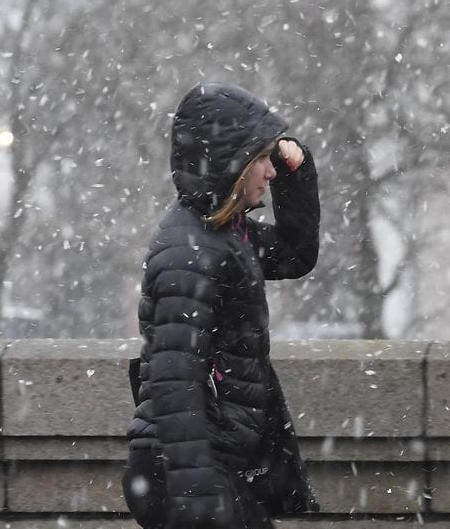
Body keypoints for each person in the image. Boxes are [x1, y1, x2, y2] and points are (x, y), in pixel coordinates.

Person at [123, 81, 321, 529]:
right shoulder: (189, 253)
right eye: (262, 160)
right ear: (230, 163)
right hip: (187, 473)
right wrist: (198, 497)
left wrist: (297, 172)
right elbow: (176, 384)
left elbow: (295, 254)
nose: (270, 172)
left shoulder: (225, 234)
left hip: (204, 467)